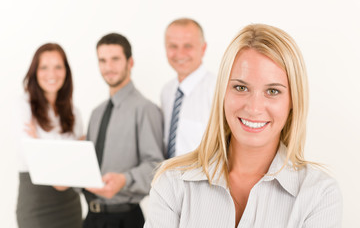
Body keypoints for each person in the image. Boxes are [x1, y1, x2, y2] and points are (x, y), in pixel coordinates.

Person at [144, 24, 342, 227]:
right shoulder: (172, 183)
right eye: (241, 87)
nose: (254, 108)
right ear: (222, 93)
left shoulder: (319, 194)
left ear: (293, 101)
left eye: (273, 91)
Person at [83, 33, 164, 228]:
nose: (108, 67)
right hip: (91, 218)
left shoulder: (145, 109)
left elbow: (157, 167)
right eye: (102, 60)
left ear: (130, 62)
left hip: (124, 219)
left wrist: (124, 180)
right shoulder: (96, 112)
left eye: (115, 59)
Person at [14, 43, 83, 228]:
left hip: (70, 204)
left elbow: (80, 161)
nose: (51, 74)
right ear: (35, 71)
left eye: (58, 67)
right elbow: (28, 157)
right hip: (37, 204)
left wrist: (40, 147)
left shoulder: (74, 114)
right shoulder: (24, 106)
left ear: (66, 71)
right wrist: (66, 165)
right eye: (44, 67)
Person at [162, 18, 216, 158]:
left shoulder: (217, 90)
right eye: (173, 46)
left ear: (203, 48)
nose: (180, 54)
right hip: (168, 177)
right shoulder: (167, 91)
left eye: (188, 46)